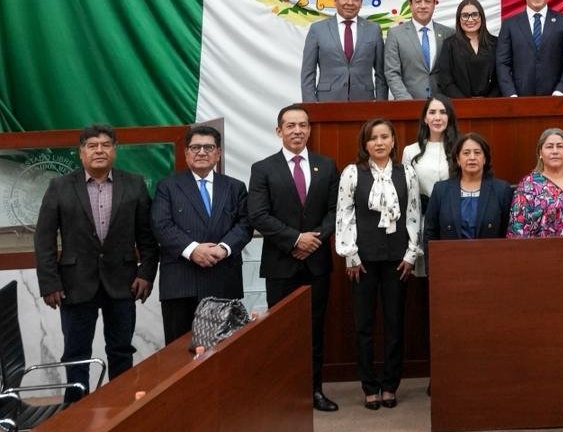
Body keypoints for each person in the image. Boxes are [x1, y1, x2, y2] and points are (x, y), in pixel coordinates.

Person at [34, 124, 158, 400]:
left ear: (114, 150)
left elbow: (147, 237)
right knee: (77, 353)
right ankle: (76, 411)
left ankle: (122, 407)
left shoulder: (134, 184)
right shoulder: (60, 186)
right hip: (74, 284)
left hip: (123, 283)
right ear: (81, 153)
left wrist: (146, 273)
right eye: (92, 145)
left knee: (121, 350)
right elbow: (43, 239)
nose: (99, 150)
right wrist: (48, 282)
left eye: (105, 144)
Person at [248, 104, 341, 411]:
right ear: (279, 131)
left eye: (303, 125)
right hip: (280, 264)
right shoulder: (263, 169)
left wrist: (314, 239)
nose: (297, 131)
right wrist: (294, 239)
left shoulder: (326, 166)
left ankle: (314, 391)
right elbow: (258, 215)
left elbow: (334, 210)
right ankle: (283, 394)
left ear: (309, 129)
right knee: (281, 333)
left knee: (315, 330)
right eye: (290, 126)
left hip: (316, 262)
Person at [335, 119, 421, 411]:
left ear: (394, 141)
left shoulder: (406, 172)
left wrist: (412, 253)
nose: (380, 142)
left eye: (385, 137)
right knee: (364, 326)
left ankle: (390, 384)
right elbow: (344, 214)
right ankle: (369, 386)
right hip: (363, 261)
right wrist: (350, 254)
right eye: (373, 138)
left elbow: (412, 214)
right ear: (365, 144)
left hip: (398, 260)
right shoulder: (352, 173)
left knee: (395, 324)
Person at [150, 124, 251, 343]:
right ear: (186, 153)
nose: (202, 152)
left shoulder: (235, 187)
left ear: (219, 153)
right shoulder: (167, 186)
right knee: (179, 355)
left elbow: (245, 225)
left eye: (208, 147)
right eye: (195, 147)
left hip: (223, 280)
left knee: (224, 353)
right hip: (181, 283)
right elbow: (161, 224)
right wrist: (193, 250)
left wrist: (223, 249)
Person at [496, 0, 563, 96]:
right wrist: (510, 94)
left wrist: (561, 91)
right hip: (518, 99)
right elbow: (503, 63)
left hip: (557, 99)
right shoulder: (509, 24)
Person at [301, 0, 388, 101]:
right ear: (335, 0)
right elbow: (308, 72)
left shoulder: (374, 29)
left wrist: (381, 103)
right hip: (327, 101)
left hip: (364, 102)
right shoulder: (317, 29)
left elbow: (381, 73)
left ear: (361, 3)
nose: (350, 2)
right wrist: (310, 104)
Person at [424, 134, 515, 239]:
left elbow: (508, 233)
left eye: (477, 153)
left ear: (485, 158)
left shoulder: (501, 190)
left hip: (490, 254)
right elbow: (429, 233)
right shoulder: (441, 190)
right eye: (466, 153)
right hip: (450, 254)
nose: (472, 157)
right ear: (458, 159)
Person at [507, 128, 563, 237]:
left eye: (560, 146)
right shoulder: (528, 185)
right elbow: (516, 230)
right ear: (540, 153)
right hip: (542, 252)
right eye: (549, 146)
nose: (555, 151)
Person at [385, 0, 454, 100]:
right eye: (418, 1)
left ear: (434, 4)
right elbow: (392, 73)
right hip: (408, 104)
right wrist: (406, 101)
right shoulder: (395, 34)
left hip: (443, 106)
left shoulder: (449, 33)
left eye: (427, 1)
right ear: (410, 5)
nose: (423, 6)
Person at [402, 96, 459, 225]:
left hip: (455, 219)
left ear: (449, 117)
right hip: (422, 220)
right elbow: (407, 193)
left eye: (443, 112)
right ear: (425, 118)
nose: (437, 118)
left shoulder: (460, 148)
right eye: (432, 112)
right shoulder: (410, 151)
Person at [432, 0, 499, 98]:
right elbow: (445, 79)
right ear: (459, 19)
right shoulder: (449, 44)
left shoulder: (496, 43)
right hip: (460, 105)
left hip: (492, 104)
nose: (470, 19)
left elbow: (502, 76)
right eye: (465, 16)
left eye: (475, 14)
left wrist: (487, 101)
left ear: (482, 17)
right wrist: (466, 102)